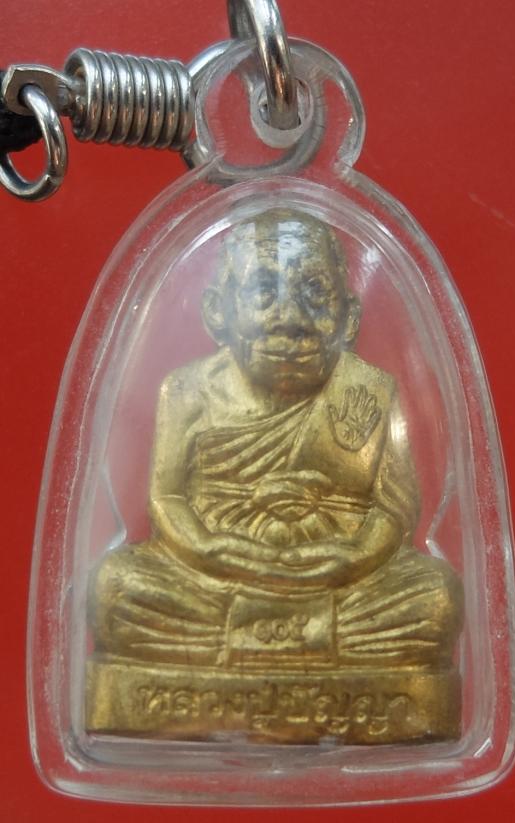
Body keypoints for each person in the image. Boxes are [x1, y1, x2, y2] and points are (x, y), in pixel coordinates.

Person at [91, 208, 463, 671]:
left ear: (348, 317)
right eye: (264, 293)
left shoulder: (369, 390)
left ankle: (236, 650)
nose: (290, 318)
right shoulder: (188, 391)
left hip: (341, 579)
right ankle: (313, 648)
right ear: (218, 311)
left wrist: (355, 556)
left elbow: (395, 509)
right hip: (215, 575)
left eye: (314, 293)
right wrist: (207, 550)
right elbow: (166, 499)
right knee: (116, 587)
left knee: (436, 597)